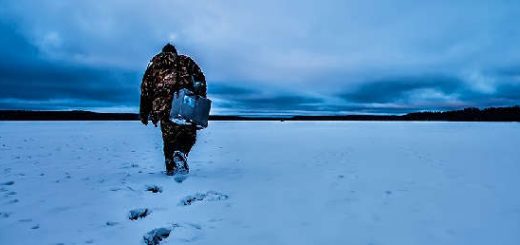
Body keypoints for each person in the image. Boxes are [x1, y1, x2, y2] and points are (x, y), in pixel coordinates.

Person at [139, 43, 207, 176]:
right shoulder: (185, 61)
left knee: (168, 139)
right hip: (184, 104)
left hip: (162, 107)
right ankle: (180, 152)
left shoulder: (153, 66)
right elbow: (200, 78)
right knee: (189, 135)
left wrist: (144, 112)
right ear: (175, 52)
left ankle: (171, 169)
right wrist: (200, 97)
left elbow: (145, 90)